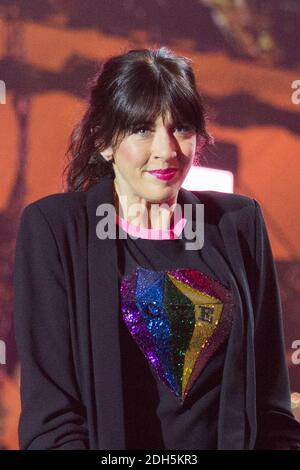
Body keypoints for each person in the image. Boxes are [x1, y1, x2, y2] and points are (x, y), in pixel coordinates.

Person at [13, 46, 300, 450]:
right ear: (104, 141)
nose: (166, 150)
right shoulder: (57, 230)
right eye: (142, 129)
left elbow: (271, 408)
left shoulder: (238, 224)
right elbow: (52, 420)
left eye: (181, 128)